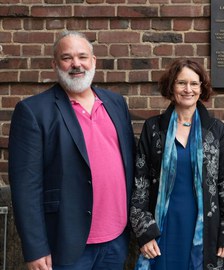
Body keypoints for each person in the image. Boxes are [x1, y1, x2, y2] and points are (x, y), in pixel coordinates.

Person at [8, 30, 135, 270]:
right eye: (67, 58)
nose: (76, 64)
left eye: (82, 56)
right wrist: (35, 248)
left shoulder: (116, 103)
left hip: (116, 239)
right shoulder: (34, 111)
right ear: (55, 64)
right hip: (66, 244)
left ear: (93, 61)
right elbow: (26, 186)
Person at [129, 58, 224, 270]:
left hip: (206, 228)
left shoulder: (215, 130)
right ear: (171, 87)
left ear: (201, 88)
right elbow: (139, 184)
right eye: (181, 83)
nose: (188, 89)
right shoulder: (153, 129)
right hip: (162, 227)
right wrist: (144, 232)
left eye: (194, 83)